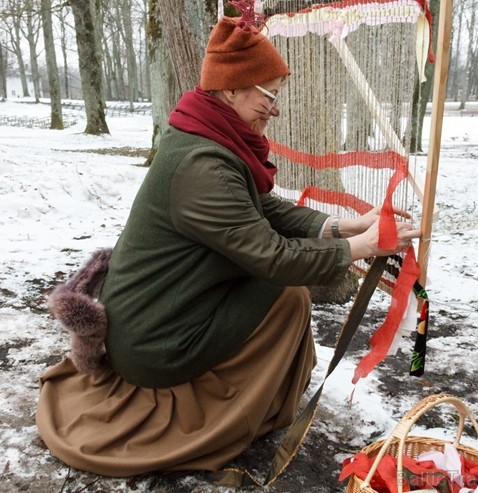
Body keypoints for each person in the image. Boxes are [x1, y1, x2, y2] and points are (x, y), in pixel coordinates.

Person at [36, 14, 420, 478]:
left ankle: (255, 401)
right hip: (155, 340)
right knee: (288, 292)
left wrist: (346, 225)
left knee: (283, 289)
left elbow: (267, 210)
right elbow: (274, 257)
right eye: (270, 94)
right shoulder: (204, 165)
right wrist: (367, 245)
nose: (275, 109)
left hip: (155, 317)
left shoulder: (207, 138)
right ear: (233, 88)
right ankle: (231, 416)